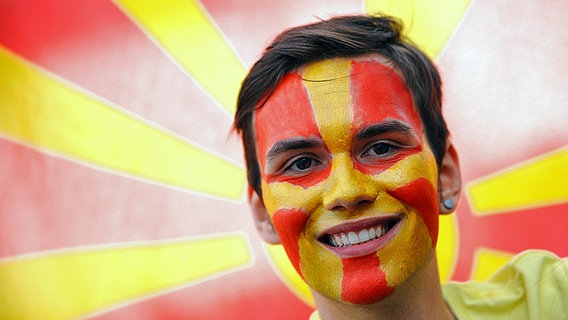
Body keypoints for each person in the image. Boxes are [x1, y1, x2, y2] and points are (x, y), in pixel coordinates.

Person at [233, 14, 567, 320]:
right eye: (302, 163)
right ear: (263, 213)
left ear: (445, 176)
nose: (347, 191)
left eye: (380, 148)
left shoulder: (550, 302)